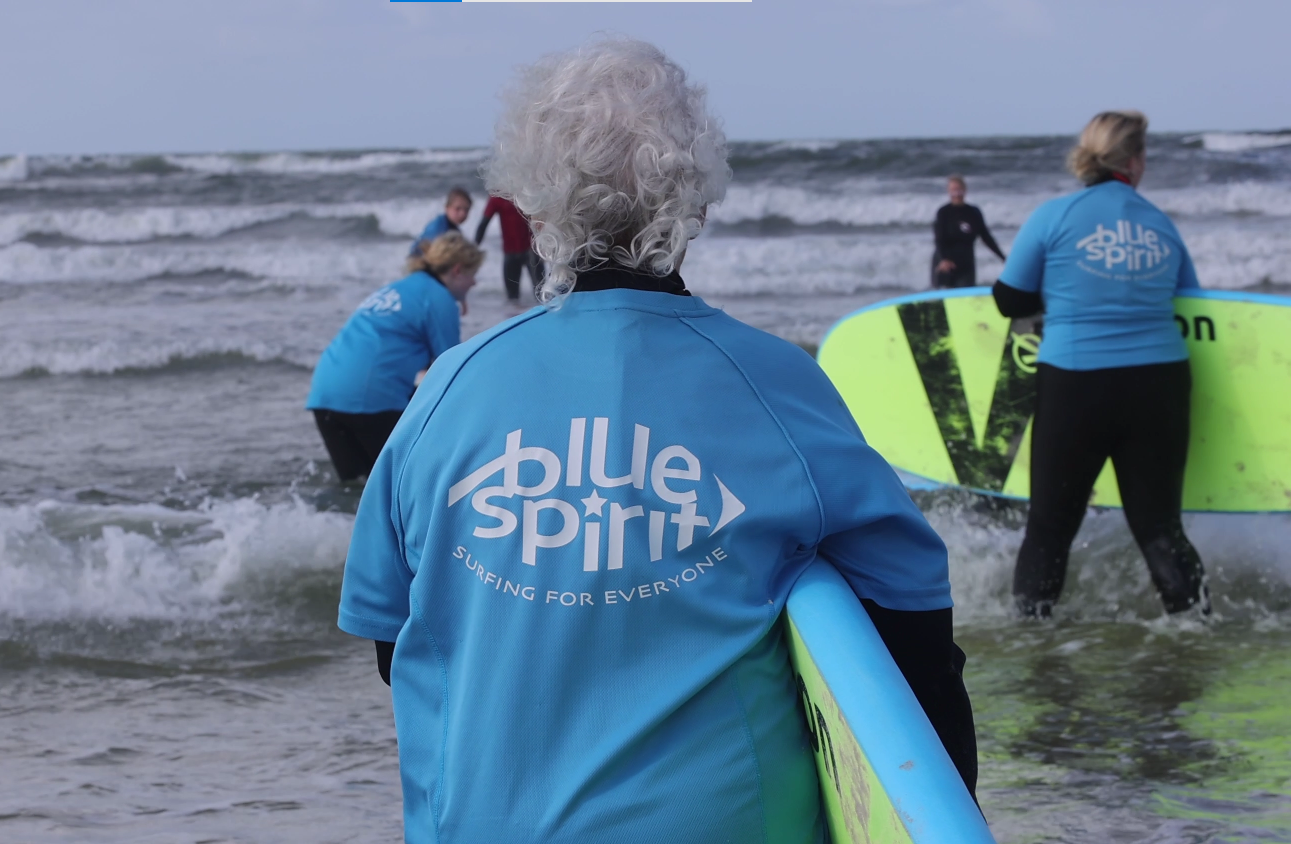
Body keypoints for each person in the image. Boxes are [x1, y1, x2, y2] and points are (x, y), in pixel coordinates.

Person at [337, 38, 976, 844]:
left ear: (531, 210)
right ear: (696, 202)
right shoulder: (775, 385)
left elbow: (395, 644)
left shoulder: (446, 395)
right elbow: (911, 612)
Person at [992, 110, 1209, 619]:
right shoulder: (1161, 223)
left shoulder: (1055, 216)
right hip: (1161, 384)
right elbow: (1196, 309)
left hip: (1075, 385)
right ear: (1134, 160)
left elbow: (1009, 299)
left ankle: (1033, 644)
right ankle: (1197, 635)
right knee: (1159, 527)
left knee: (1050, 526)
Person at [307, 232, 482, 482]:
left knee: (356, 490)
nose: (474, 284)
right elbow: (451, 372)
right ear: (457, 270)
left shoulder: (398, 287)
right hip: (370, 399)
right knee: (404, 484)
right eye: (473, 275)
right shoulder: (438, 298)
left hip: (325, 393)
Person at [932, 175, 1006, 288]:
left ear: (965, 191)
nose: (956, 194)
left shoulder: (973, 212)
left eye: (959, 190)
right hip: (945, 264)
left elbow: (986, 237)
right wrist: (943, 259)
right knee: (943, 297)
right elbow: (939, 239)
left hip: (966, 265)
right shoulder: (943, 212)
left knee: (964, 297)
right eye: (953, 190)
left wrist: (1003, 257)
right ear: (948, 192)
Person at [474, 194, 546, 301]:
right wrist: (473, 250)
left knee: (541, 295)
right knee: (512, 298)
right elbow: (483, 224)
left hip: (531, 251)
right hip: (510, 253)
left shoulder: (528, 193)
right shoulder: (497, 198)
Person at [409, 187, 472, 255]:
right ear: (446, 207)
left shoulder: (453, 228)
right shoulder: (439, 228)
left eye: (466, 210)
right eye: (457, 209)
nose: (462, 213)